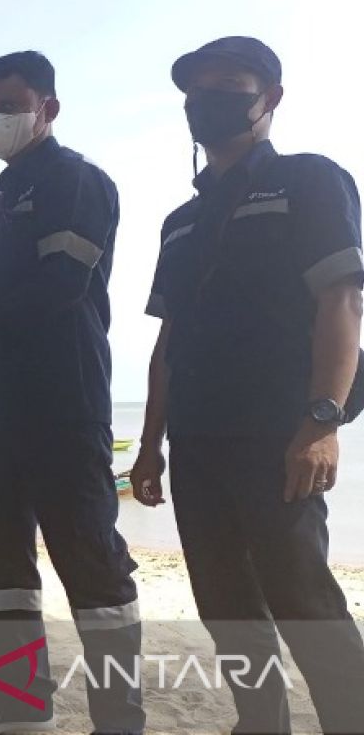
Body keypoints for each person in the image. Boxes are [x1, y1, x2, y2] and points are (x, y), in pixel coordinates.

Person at [130, 36, 364, 735]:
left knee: (302, 599)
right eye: (196, 92)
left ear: (270, 98)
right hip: (198, 441)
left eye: (229, 85)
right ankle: (260, 723)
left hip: (281, 435)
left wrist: (321, 420)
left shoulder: (311, 181)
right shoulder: (181, 223)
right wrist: (149, 448)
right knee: (226, 604)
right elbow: (168, 343)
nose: (210, 102)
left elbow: (343, 303)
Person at [0, 52, 143, 734]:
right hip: (1, 405)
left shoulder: (76, 181)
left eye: (11, 104)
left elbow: (61, 287)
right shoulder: (7, 190)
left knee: (90, 560)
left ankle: (119, 717)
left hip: (64, 403)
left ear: (49, 107)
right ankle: (20, 701)